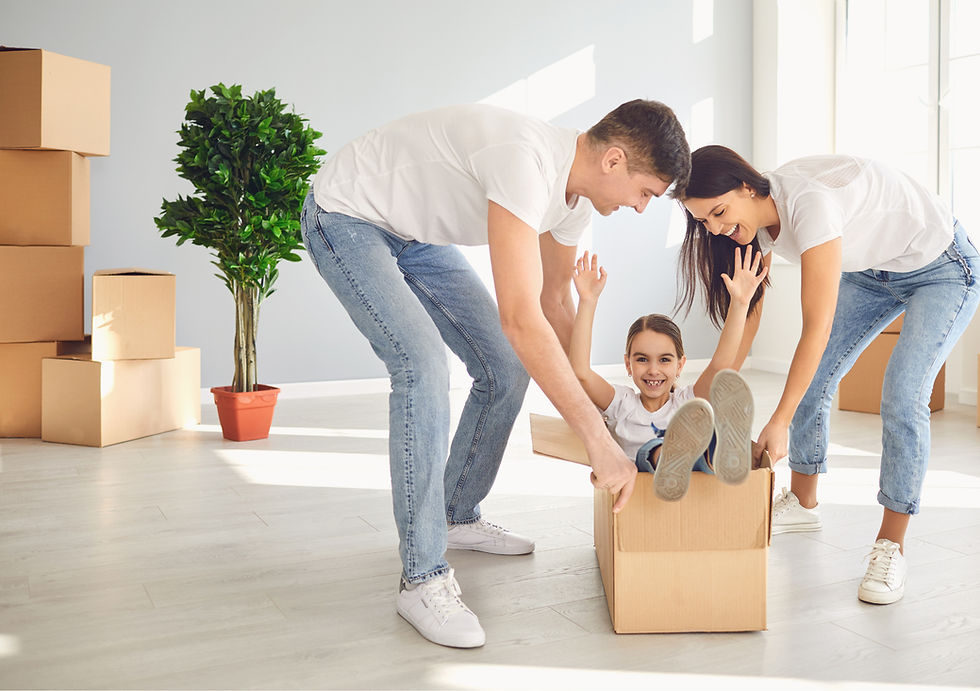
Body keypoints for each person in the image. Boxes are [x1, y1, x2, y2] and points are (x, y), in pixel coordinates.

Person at [300, 100, 690, 648]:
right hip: (346, 215)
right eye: (646, 192)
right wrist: (596, 442)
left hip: (415, 238)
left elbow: (555, 301)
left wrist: (612, 412)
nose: (643, 207)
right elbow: (521, 318)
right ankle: (421, 577)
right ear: (615, 160)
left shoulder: (573, 201)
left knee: (503, 368)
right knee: (421, 365)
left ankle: (456, 512)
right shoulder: (524, 160)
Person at [676, 145, 980, 605]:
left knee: (902, 395)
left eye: (718, 213)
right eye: (704, 222)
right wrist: (706, 399)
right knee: (815, 381)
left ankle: (891, 545)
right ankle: (803, 500)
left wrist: (778, 422)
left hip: (942, 266)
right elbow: (748, 315)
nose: (715, 228)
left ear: (744, 185)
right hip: (871, 270)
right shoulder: (753, 225)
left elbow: (814, 329)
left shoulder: (808, 206)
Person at [569, 249, 765, 501]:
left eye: (664, 360)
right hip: (643, 480)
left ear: (680, 365)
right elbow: (581, 372)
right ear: (628, 365)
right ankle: (680, 453)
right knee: (653, 451)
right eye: (642, 360)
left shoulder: (686, 402)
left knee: (703, 431)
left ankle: (718, 450)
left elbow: (719, 366)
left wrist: (739, 305)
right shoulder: (621, 403)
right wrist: (587, 301)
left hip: (692, 480)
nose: (653, 370)